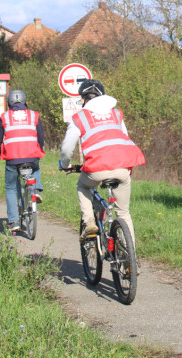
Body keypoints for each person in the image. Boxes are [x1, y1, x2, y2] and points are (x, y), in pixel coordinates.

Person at [59, 79, 145, 245]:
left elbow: (67, 148)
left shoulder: (79, 117)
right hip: (122, 167)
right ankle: (130, 256)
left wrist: (65, 164)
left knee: (83, 186)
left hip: (97, 168)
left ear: (82, 99)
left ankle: (89, 222)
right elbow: (125, 137)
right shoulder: (116, 114)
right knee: (123, 213)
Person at [0, 89, 45, 233]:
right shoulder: (34, 115)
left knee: (10, 188)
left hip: (12, 159)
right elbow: (40, 136)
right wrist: (39, 149)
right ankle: (36, 189)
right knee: (36, 168)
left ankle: (14, 222)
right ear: (25, 101)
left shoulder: (5, 117)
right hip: (32, 157)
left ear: (9, 103)